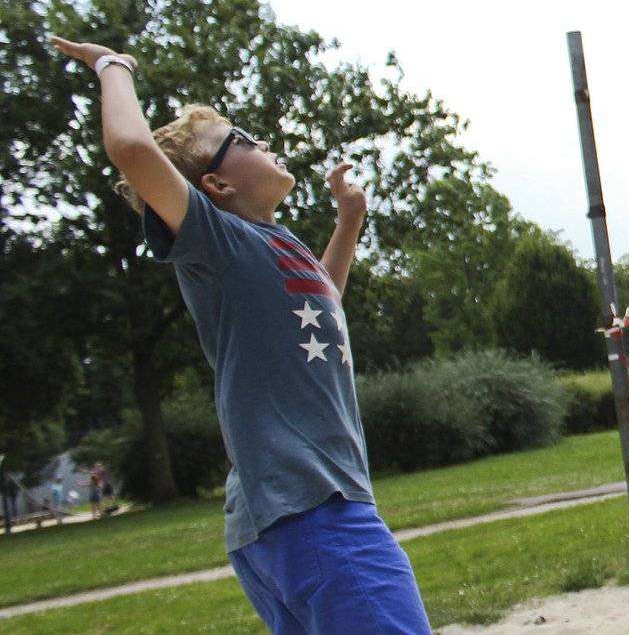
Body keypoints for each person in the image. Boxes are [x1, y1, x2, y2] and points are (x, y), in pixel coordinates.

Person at [49, 35, 430, 632]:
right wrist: (112, 65)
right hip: (316, 511)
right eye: (242, 141)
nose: (263, 142)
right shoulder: (215, 238)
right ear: (217, 186)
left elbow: (320, 306)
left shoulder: (274, 245)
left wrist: (348, 222)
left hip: (278, 523)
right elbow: (130, 146)